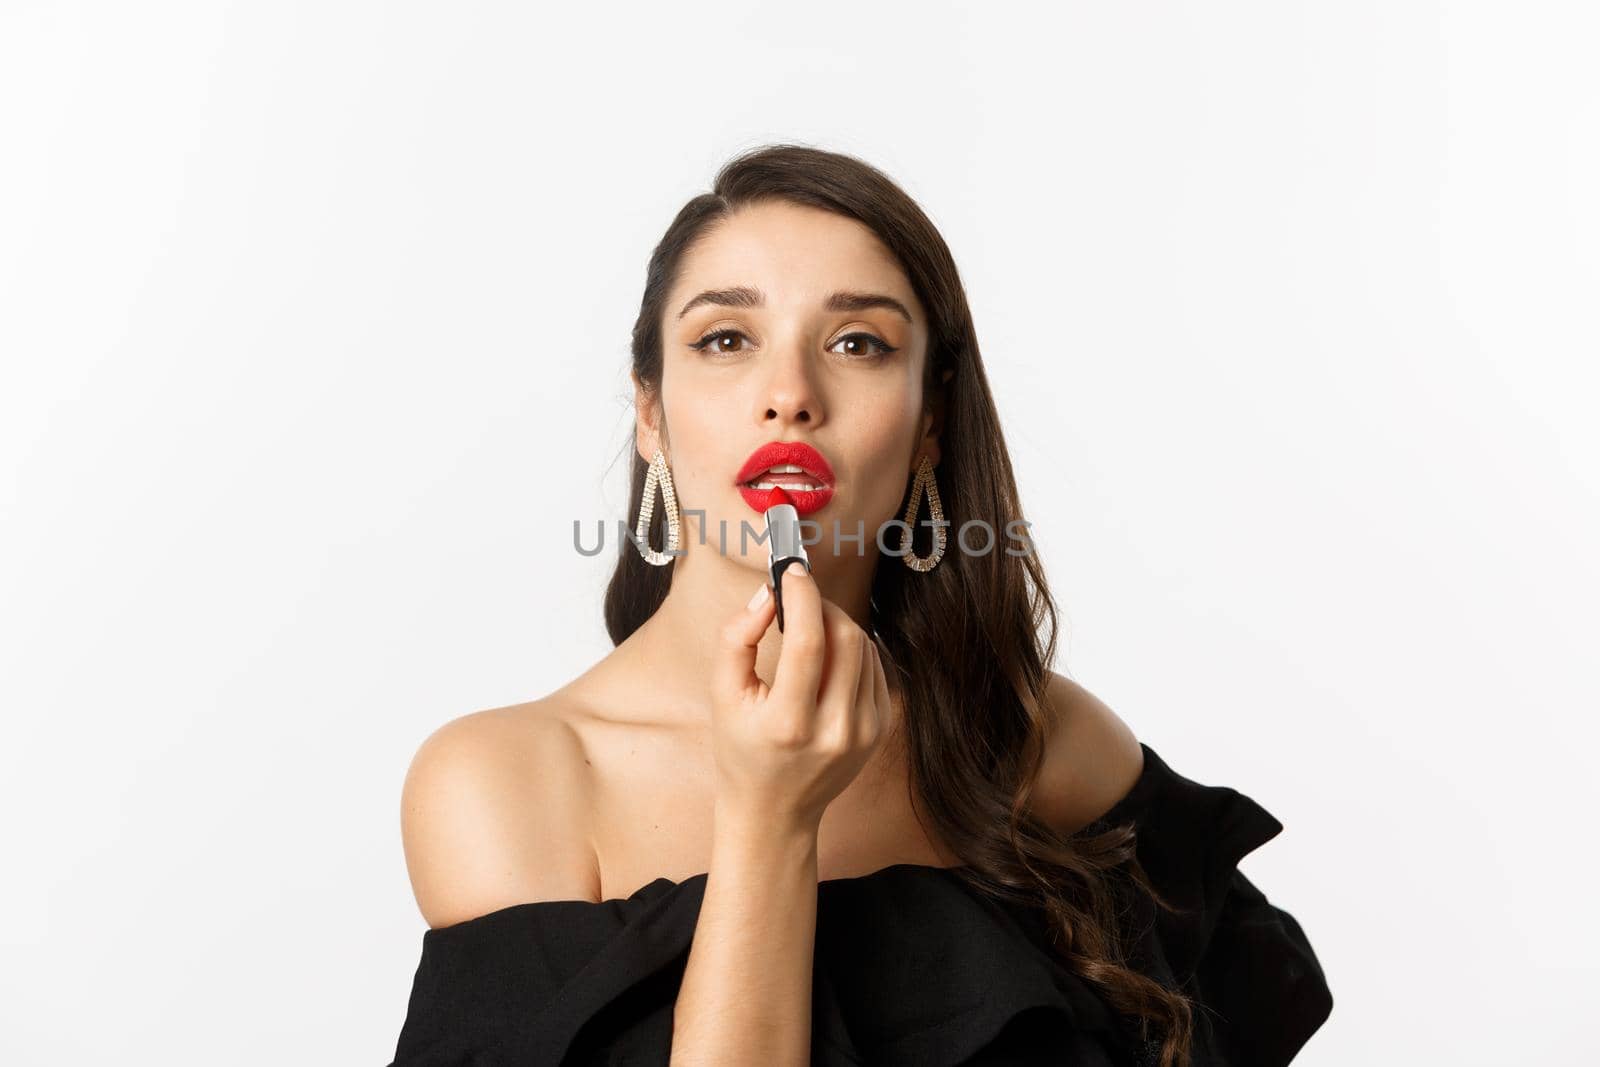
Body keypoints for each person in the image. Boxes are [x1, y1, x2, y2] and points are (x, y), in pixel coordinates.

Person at [384, 144, 1333, 1067]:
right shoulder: (507, 785)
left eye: (857, 343)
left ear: (929, 424)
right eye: (725, 339)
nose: (789, 396)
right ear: (649, 412)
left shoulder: (1035, 740)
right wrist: (769, 820)